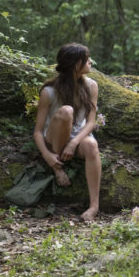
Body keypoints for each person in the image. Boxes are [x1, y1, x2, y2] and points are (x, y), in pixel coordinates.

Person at [33, 43, 103, 222]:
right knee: (66, 111)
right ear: (75, 65)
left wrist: (74, 143)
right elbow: (38, 132)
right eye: (86, 60)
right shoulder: (49, 92)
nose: (90, 62)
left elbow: (91, 122)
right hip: (54, 137)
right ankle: (58, 169)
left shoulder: (92, 86)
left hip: (78, 137)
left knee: (92, 145)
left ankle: (94, 206)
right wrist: (48, 156)